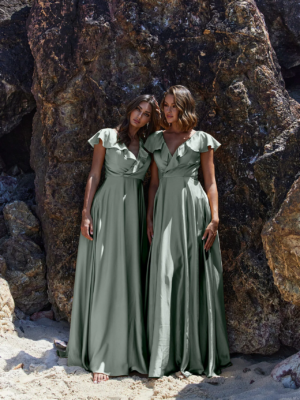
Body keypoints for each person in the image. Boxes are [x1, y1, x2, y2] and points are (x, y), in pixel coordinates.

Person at [57, 94, 160, 384]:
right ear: (129, 109)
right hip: (106, 209)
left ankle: (130, 353)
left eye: (146, 114)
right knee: (106, 277)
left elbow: (153, 184)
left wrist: (150, 218)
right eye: (137, 110)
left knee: (130, 280)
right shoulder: (106, 136)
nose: (139, 117)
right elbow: (94, 174)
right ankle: (102, 353)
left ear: (151, 120)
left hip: (134, 216)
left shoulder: (151, 147)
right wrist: (85, 213)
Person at [144, 85, 231, 379]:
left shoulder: (203, 140)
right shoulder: (156, 139)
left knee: (193, 277)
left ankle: (193, 354)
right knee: (164, 276)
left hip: (194, 212)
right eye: (165, 106)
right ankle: (164, 356)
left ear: (185, 107)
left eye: (173, 106)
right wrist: (149, 216)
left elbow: (211, 183)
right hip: (165, 211)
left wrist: (215, 219)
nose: (168, 111)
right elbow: (153, 183)